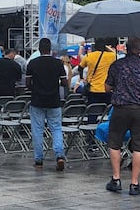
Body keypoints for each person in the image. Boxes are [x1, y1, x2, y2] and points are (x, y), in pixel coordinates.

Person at [102, 36, 140, 195]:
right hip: (139, 110)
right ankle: (134, 183)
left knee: (115, 143)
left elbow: (107, 88)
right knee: (139, 147)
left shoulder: (117, 65)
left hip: (120, 109)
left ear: (126, 48)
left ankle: (116, 179)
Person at [25, 38, 68, 171]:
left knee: (37, 130)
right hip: (54, 100)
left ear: (39, 49)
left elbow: (27, 84)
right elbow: (65, 83)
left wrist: (35, 89)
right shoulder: (58, 63)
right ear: (50, 49)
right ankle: (59, 155)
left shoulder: (33, 63)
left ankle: (38, 160)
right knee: (56, 129)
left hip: (37, 100)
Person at [78, 37, 118, 115]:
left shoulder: (89, 56)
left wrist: (82, 78)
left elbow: (80, 68)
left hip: (93, 89)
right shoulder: (111, 56)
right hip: (106, 89)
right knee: (108, 112)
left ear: (95, 46)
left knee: (92, 112)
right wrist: (106, 47)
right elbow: (114, 52)